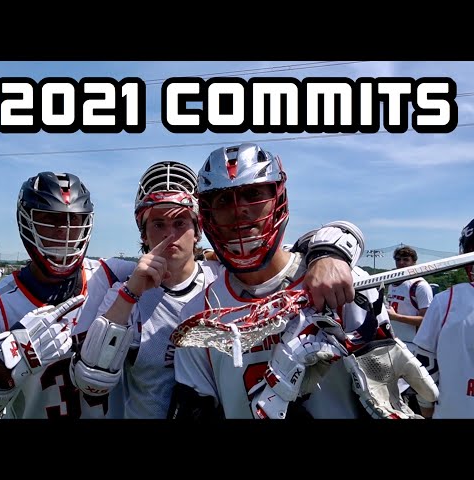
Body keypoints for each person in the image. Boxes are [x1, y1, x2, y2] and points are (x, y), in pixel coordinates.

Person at [70, 158, 372, 419]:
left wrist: (328, 254)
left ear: (198, 229)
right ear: (143, 233)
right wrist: (130, 293)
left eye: (180, 223)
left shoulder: (225, 278)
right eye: (158, 224)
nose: (170, 235)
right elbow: (91, 382)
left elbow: (286, 254)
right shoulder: (124, 293)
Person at [167, 142, 438, 420]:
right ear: (207, 213)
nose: (239, 209)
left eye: (252, 193)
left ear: (278, 198)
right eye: (224, 200)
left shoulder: (347, 284)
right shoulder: (197, 316)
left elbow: (387, 394)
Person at [0, 171, 135, 419]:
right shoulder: (3, 302)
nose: (64, 232)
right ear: (28, 222)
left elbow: (171, 271)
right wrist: (7, 366)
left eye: (74, 220)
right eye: (51, 219)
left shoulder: (111, 274)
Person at [413, 218, 474, 418]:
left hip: (454, 410)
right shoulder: (446, 300)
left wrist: (425, 405)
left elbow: (425, 361)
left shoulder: (446, 300)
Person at [386, 245, 434, 413]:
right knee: (394, 394)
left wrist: (396, 317)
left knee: (414, 394)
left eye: (405, 259)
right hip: (396, 344)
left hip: (414, 347)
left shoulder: (420, 286)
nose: (401, 263)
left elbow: (426, 320)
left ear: (414, 262)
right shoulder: (392, 283)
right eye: (398, 259)